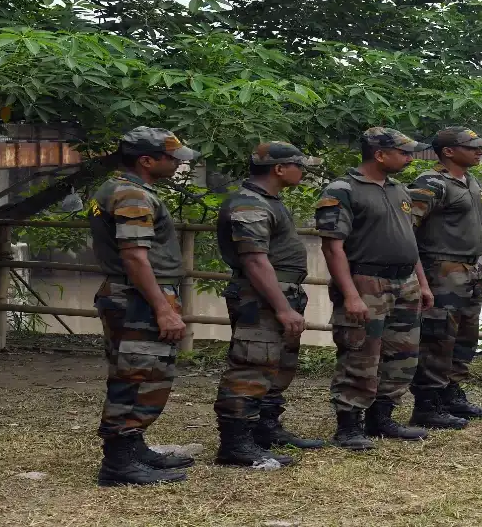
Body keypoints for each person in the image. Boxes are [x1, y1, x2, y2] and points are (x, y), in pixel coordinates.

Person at [90, 126, 198, 486]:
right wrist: (163, 307)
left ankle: (133, 445)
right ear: (147, 160)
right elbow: (135, 257)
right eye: (171, 158)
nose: (176, 164)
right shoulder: (131, 195)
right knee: (133, 376)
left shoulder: (124, 189)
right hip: (137, 297)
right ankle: (118, 462)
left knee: (149, 373)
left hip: (136, 295)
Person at [316, 127, 433, 450]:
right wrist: (351, 294)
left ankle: (382, 417)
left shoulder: (398, 190)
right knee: (361, 353)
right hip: (366, 280)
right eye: (403, 152)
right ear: (379, 154)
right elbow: (332, 247)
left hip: (405, 281)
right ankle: (349, 424)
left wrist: (422, 282)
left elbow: (410, 241)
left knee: (402, 353)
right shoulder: (343, 190)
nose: (410, 158)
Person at [213, 142, 325, 467]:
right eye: (298, 166)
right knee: (251, 366)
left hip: (280, 294)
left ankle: (265, 428)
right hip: (259, 296)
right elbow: (255, 261)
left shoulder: (269, 202)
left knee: (276, 365)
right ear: (279, 169)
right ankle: (235, 445)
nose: (302, 172)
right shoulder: (249, 204)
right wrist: (282, 307)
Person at [407, 127, 482, 429]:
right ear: (448, 151)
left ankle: (452, 395)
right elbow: (407, 230)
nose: (479, 151)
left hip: (470, 270)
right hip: (442, 270)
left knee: (464, 338)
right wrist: (421, 280)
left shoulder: (468, 180)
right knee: (437, 338)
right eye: (472, 147)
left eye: (480, 146)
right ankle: (427, 404)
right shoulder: (431, 183)